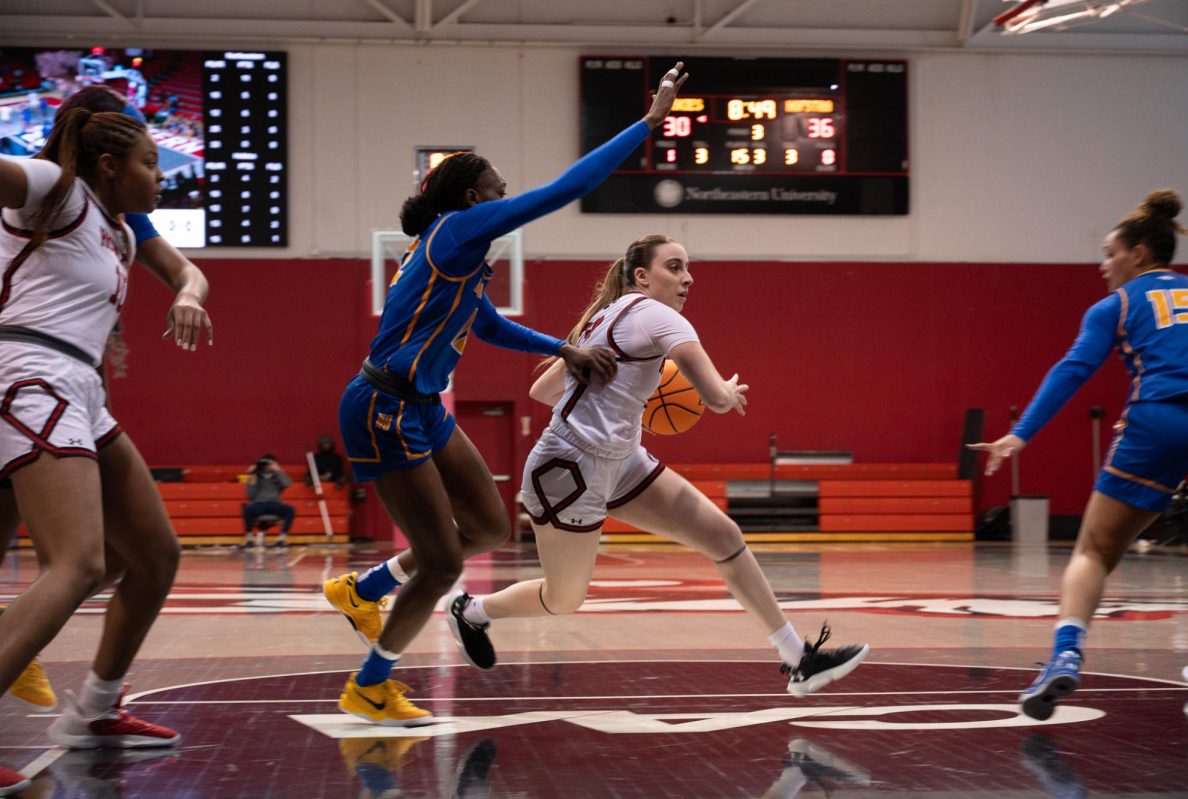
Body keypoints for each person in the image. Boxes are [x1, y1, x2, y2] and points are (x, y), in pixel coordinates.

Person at [322, 62, 690, 728]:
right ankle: (370, 684)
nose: (506, 191)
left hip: (422, 407)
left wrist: (562, 347)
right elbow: (568, 187)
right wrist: (648, 123)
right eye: (496, 184)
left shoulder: (456, 253)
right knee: (438, 564)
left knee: (491, 525)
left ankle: (363, 587)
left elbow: (484, 322)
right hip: (383, 407)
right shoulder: (459, 231)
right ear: (471, 197)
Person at [442, 234, 868, 695]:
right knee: (563, 599)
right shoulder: (659, 317)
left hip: (621, 459)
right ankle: (471, 611)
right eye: (675, 267)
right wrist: (726, 390)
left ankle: (797, 659)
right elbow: (713, 399)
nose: (687, 278)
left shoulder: (602, 318)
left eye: (688, 269)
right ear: (642, 276)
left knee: (723, 537)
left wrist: (619, 394)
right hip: (570, 470)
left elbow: (541, 392)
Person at [0, 105, 210, 790]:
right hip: (32, 375)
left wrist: (188, 292)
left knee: (152, 554)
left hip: (79, 388)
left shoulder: (116, 227)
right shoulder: (50, 188)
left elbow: (186, 270)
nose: (162, 176)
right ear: (112, 166)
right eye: (152, 163)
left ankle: (91, 710)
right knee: (79, 562)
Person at [970, 189, 1188, 721]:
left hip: (1157, 419)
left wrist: (1019, 434)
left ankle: (1064, 655)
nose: (1102, 265)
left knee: (1092, 552)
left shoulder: (1116, 305)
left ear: (1139, 253)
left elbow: (1072, 370)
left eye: (1109, 252)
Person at [241, 455, 296, 548]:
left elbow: (287, 483)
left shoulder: (278, 477)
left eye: (269, 464)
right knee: (247, 509)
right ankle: (249, 540)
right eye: (265, 464)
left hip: (275, 504)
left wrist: (278, 470)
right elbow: (250, 496)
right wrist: (253, 475)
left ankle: (282, 539)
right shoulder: (256, 477)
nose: (267, 466)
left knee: (290, 510)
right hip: (259, 504)